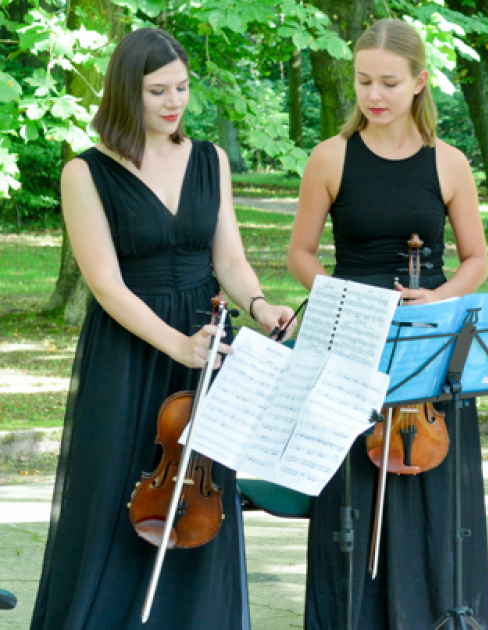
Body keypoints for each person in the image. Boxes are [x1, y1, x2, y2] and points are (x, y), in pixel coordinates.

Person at [30, 27, 296, 629]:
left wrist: (258, 306)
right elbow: (105, 284)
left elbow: (227, 258)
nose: (174, 102)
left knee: (198, 499)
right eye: (158, 91)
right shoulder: (85, 173)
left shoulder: (210, 158)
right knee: (112, 497)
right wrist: (178, 343)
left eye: (181, 87)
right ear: (128, 93)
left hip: (205, 343)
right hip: (128, 351)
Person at [286, 18, 488, 629]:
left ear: (420, 83)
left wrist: (439, 296)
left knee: (431, 493)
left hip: (424, 339)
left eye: (389, 83)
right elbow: (300, 254)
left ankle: (433, 614)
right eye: (363, 81)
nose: (374, 95)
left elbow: (476, 261)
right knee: (353, 490)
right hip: (351, 338)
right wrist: (342, 299)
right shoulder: (330, 157)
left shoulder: (448, 163)